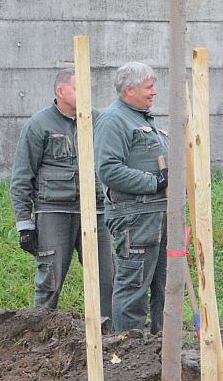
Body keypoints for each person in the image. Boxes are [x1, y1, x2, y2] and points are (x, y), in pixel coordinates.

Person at [10, 69, 112, 315]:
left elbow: (113, 164)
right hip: (54, 213)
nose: (85, 94)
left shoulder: (98, 121)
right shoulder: (39, 125)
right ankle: (41, 328)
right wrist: (24, 224)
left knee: (107, 278)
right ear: (61, 91)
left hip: (96, 212)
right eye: (78, 89)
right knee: (50, 280)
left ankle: (109, 331)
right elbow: (22, 177)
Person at [95, 62, 169, 335]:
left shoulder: (143, 119)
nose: (154, 92)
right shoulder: (114, 120)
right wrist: (155, 182)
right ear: (129, 90)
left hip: (158, 214)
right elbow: (108, 169)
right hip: (135, 217)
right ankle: (128, 349)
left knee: (163, 286)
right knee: (133, 286)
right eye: (149, 87)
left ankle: (162, 349)